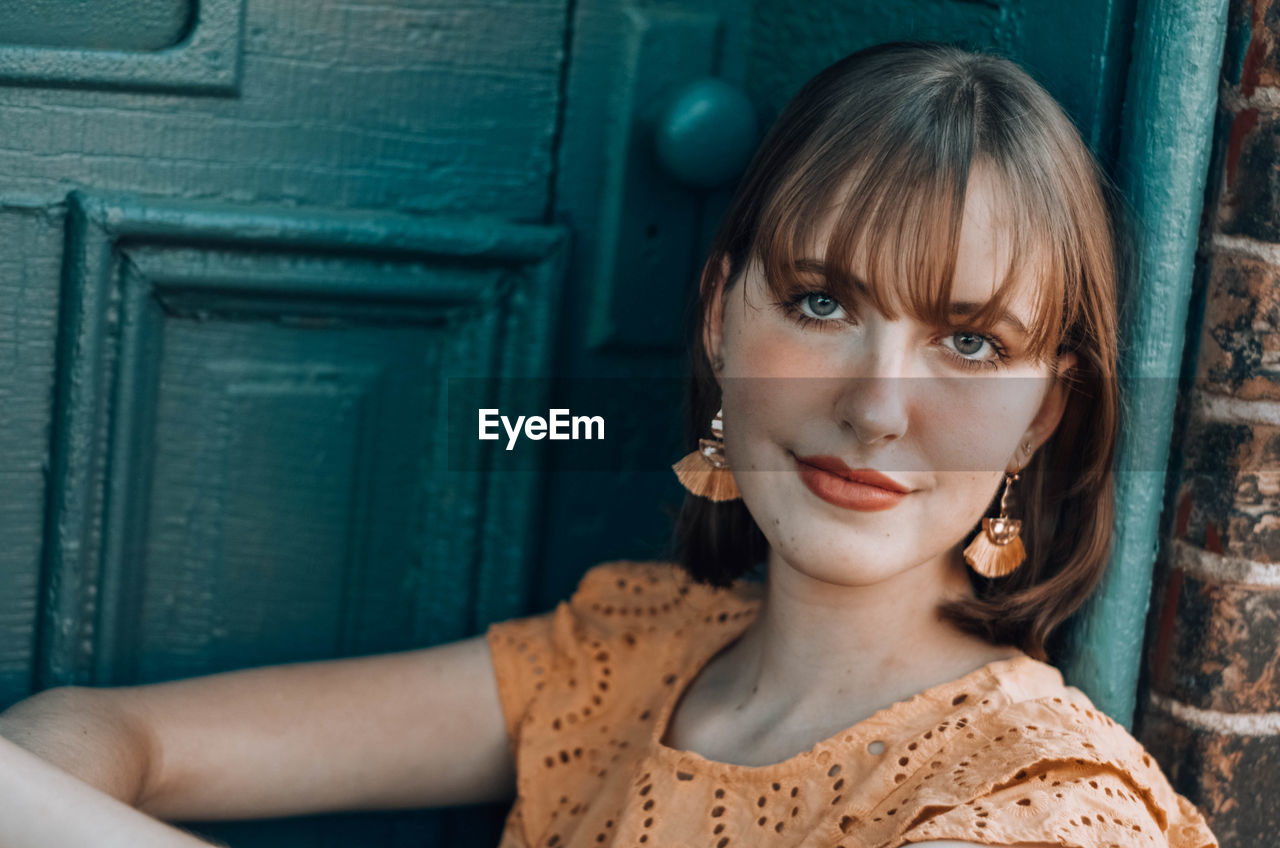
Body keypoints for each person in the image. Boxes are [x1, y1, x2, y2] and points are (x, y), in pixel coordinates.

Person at [0, 41, 1217, 848]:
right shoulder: (628, 655)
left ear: (1043, 413)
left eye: (965, 341)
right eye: (818, 304)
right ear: (717, 314)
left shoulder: (1039, 805)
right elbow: (111, 736)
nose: (876, 407)